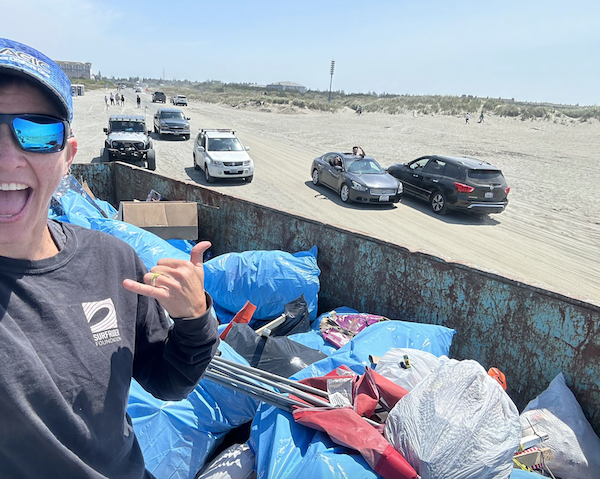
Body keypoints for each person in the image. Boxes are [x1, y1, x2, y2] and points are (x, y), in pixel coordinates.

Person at [0, 38, 219, 478]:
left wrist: (195, 319)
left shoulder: (113, 263)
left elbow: (167, 381)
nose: (6, 160)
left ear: (68, 159)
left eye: (37, 132)